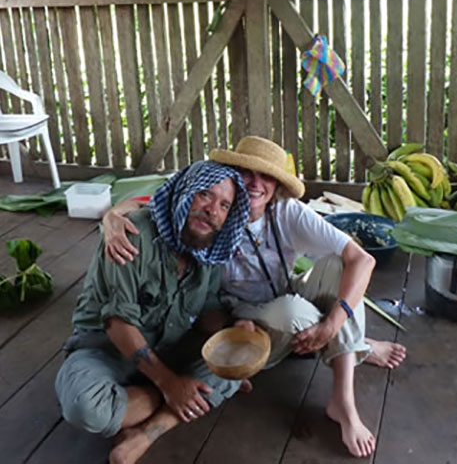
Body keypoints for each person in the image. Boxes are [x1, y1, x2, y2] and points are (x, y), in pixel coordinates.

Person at [104, 136, 407, 458]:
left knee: (337, 267)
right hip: (242, 319)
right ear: (232, 174)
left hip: (287, 291)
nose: (256, 183)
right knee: (295, 313)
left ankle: (342, 401)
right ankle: (356, 344)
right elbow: (151, 200)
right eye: (247, 172)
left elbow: (362, 259)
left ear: (278, 186)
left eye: (267, 176)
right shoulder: (213, 209)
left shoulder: (287, 212)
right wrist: (112, 218)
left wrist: (332, 324)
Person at [55, 161, 251, 464]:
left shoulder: (209, 251)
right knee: (85, 406)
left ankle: (145, 434)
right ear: (185, 193)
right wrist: (171, 384)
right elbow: (118, 324)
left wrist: (234, 330)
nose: (213, 210)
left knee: (236, 364)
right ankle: (174, 395)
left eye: (224, 205)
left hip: (170, 347)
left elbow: (208, 307)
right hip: (107, 349)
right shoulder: (132, 234)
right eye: (205, 196)